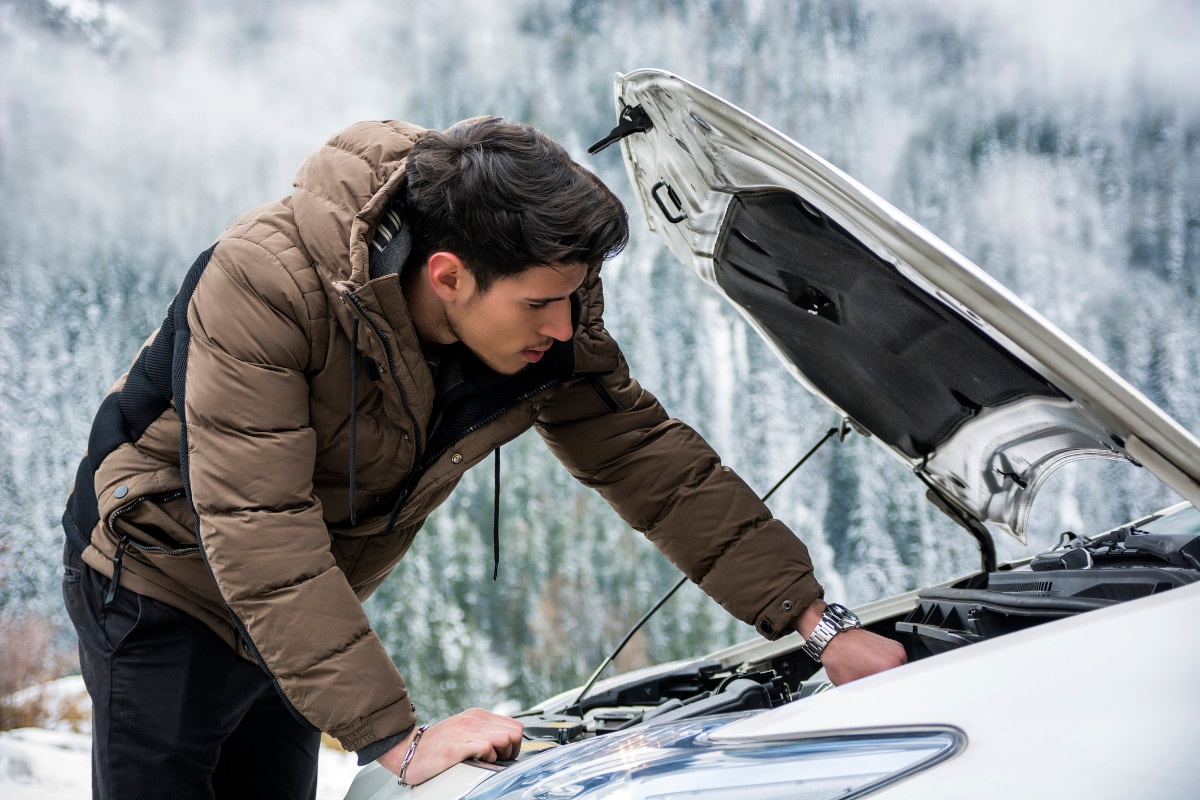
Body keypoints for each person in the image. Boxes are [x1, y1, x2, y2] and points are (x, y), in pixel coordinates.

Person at [62, 117, 906, 798]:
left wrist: (817, 623)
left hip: (302, 597)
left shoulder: (540, 288)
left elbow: (646, 459)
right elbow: (260, 527)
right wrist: (399, 740)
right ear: (448, 277)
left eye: (572, 299)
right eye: (540, 305)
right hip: (158, 578)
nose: (563, 328)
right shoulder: (267, 283)